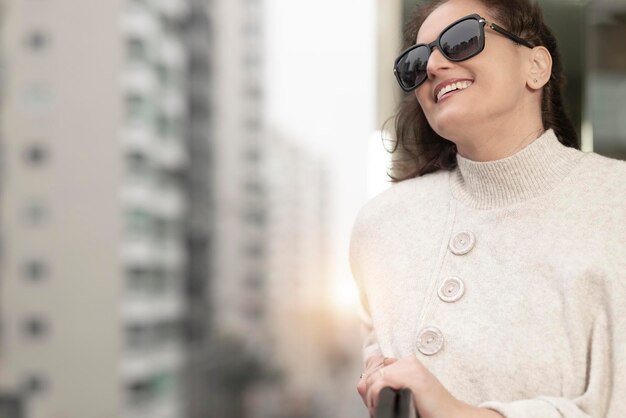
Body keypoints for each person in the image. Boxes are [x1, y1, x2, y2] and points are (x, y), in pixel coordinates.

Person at [350, 0, 626, 417]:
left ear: (536, 67)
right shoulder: (381, 225)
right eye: (416, 62)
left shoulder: (615, 202)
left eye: (461, 40)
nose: (434, 66)